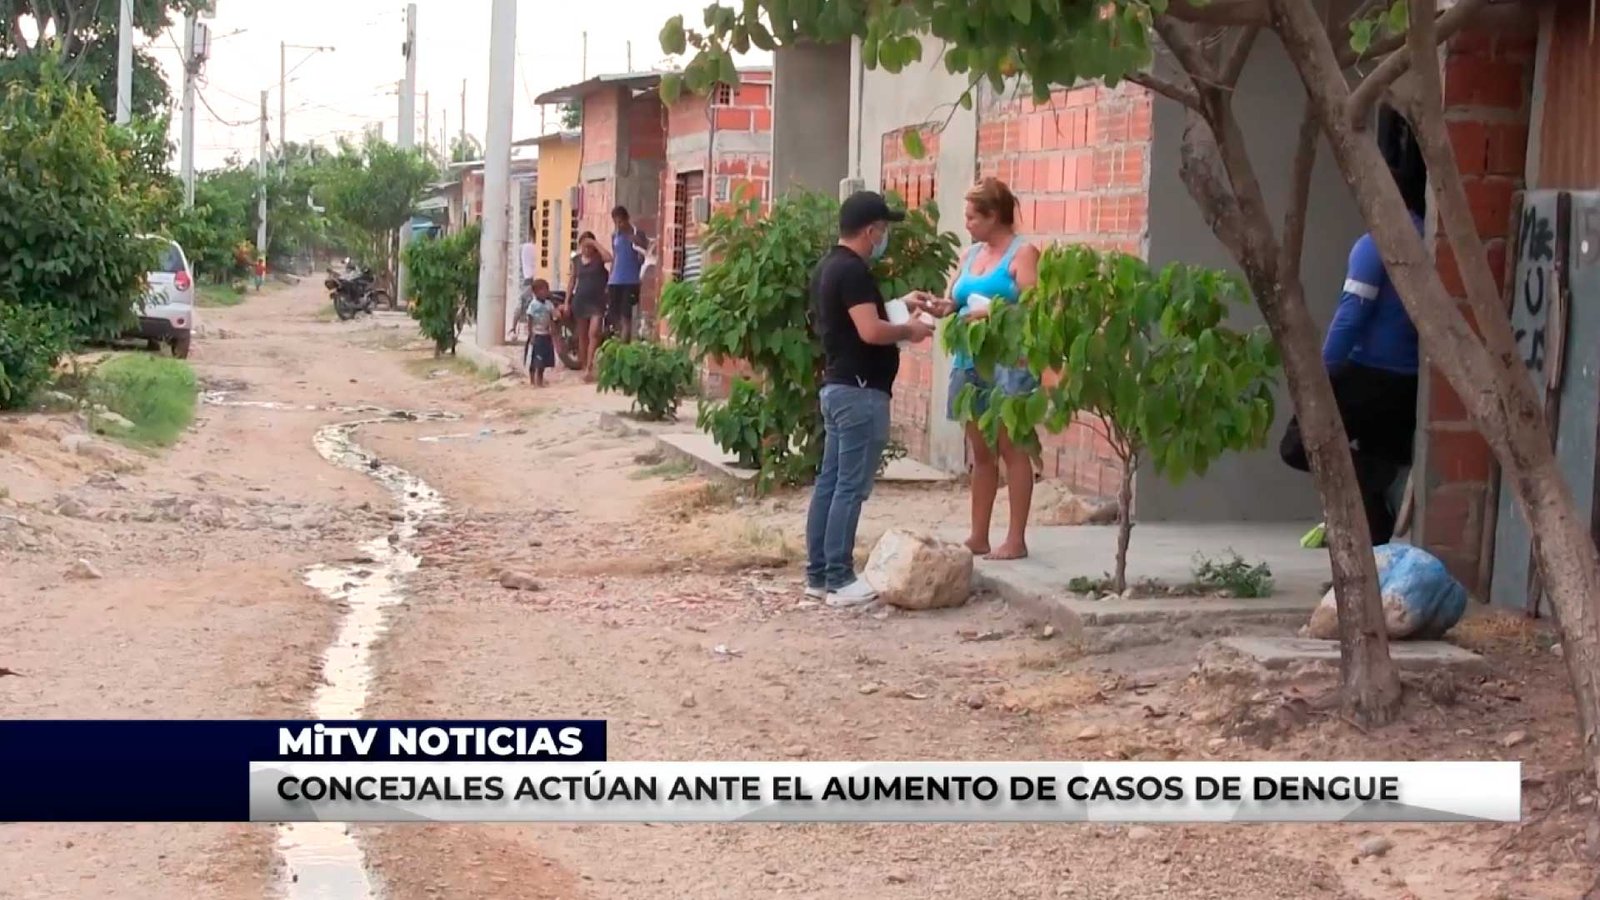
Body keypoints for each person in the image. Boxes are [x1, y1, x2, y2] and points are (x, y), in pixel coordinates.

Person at [1280, 110, 1426, 546]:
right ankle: (1375, 560)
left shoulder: (1373, 245)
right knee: (1370, 484)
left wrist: (1320, 373)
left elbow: (1351, 314)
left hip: (1368, 374)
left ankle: (1376, 475)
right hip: (1408, 385)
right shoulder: (1426, 237)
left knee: (1298, 445)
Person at [805, 191, 936, 608]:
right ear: (870, 231)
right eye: (884, 231)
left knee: (830, 482)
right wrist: (909, 331)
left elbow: (857, 319)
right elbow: (870, 331)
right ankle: (840, 577)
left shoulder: (829, 267)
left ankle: (819, 573)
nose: (885, 239)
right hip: (860, 392)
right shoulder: (854, 271)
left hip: (838, 386)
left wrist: (898, 305)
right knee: (849, 486)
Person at [917, 178, 1042, 560]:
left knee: (1012, 447)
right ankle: (978, 534)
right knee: (981, 449)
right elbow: (956, 298)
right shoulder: (971, 255)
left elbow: (1037, 304)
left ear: (994, 216)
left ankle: (1016, 538)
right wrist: (943, 307)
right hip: (970, 359)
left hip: (1009, 361)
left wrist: (995, 310)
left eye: (973, 216)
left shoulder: (1023, 253)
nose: (967, 223)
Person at [568, 231, 611, 383]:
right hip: (580, 301)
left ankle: (590, 367)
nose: (587, 249)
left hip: (597, 302)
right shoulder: (576, 261)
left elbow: (609, 257)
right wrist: (567, 302)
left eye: (589, 246)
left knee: (594, 333)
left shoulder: (599, 258)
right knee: (583, 336)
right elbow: (572, 281)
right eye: (584, 246)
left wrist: (595, 244)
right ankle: (584, 365)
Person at [607, 206, 650, 343]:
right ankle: (619, 340)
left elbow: (646, 254)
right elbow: (615, 257)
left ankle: (624, 346)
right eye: (616, 222)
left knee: (626, 316)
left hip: (630, 280)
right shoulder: (615, 235)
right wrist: (609, 279)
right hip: (615, 280)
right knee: (614, 315)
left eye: (620, 222)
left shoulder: (638, 234)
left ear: (627, 219)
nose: (618, 225)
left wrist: (636, 241)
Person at [520, 279, 557, 387]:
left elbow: (551, 317)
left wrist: (552, 328)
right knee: (536, 359)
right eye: (544, 290)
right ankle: (534, 381)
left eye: (547, 290)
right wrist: (530, 334)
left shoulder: (549, 304)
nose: (546, 292)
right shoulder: (533, 305)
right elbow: (530, 319)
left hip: (546, 334)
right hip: (537, 335)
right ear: (536, 292)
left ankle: (540, 380)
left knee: (544, 361)